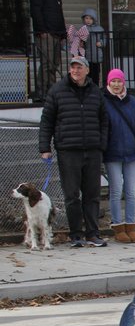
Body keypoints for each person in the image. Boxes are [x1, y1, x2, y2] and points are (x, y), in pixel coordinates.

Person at [38, 55, 109, 247]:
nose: (75, 71)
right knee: (71, 196)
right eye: (73, 68)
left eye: (79, 68)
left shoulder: (96, 92)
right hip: (68, 151)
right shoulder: (57, 90)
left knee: (92, 194)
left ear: (87, 70)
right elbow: (47, 121)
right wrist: (45, 147)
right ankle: (76, 235)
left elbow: (104, 120)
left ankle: (93, 234)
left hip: (92, 151)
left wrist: (101, 144)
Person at [103, 68, 135, 243]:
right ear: (108, 83)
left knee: (131, 192)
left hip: (132, 152)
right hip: (112, 153)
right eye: (113, 81)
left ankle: (131, 226)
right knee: (115, 191)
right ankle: (117, 227)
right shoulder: (104, 101)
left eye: (119, 81)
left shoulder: (132, 102)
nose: (116, 84)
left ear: (124, 83)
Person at [30, 0, 67, 101]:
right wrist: (42, 31)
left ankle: (51, 91)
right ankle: (41, 92)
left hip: (57, 35)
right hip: (46, 35)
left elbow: (60, 18)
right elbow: (36, 13)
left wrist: (63, 36)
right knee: (47, 63)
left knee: (54, 64)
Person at [80, 8, 105, 87]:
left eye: (90, 18)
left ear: (94, 19)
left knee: (96, 74)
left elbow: (104, 38)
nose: (88, 20)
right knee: (87, 74)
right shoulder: (83, 29)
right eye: (86, 18)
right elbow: (79, 40)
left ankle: (95, 88)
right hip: (86, 56)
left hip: (96, 55)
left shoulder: (99, 29)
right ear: (83, 19)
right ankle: (87, 89)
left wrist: (101, 43)